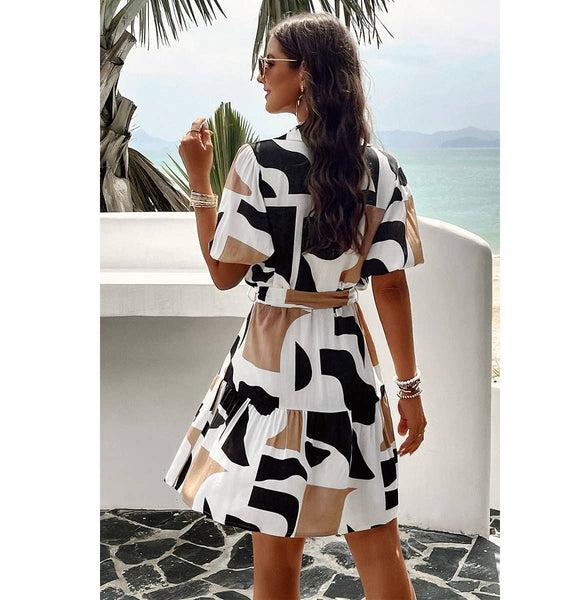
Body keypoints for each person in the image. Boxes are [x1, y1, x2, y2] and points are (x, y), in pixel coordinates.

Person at [165, 12, 427, 600]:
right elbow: (390, 287)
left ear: (304, 74)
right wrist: (409, 390)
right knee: (380, 548)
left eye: (269, 63)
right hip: (347, 366)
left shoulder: (259, 162)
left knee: (277, 560)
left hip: (272, 365)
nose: (260, 75)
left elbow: (224, 273)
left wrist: (200, 181)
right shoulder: (382, 169)